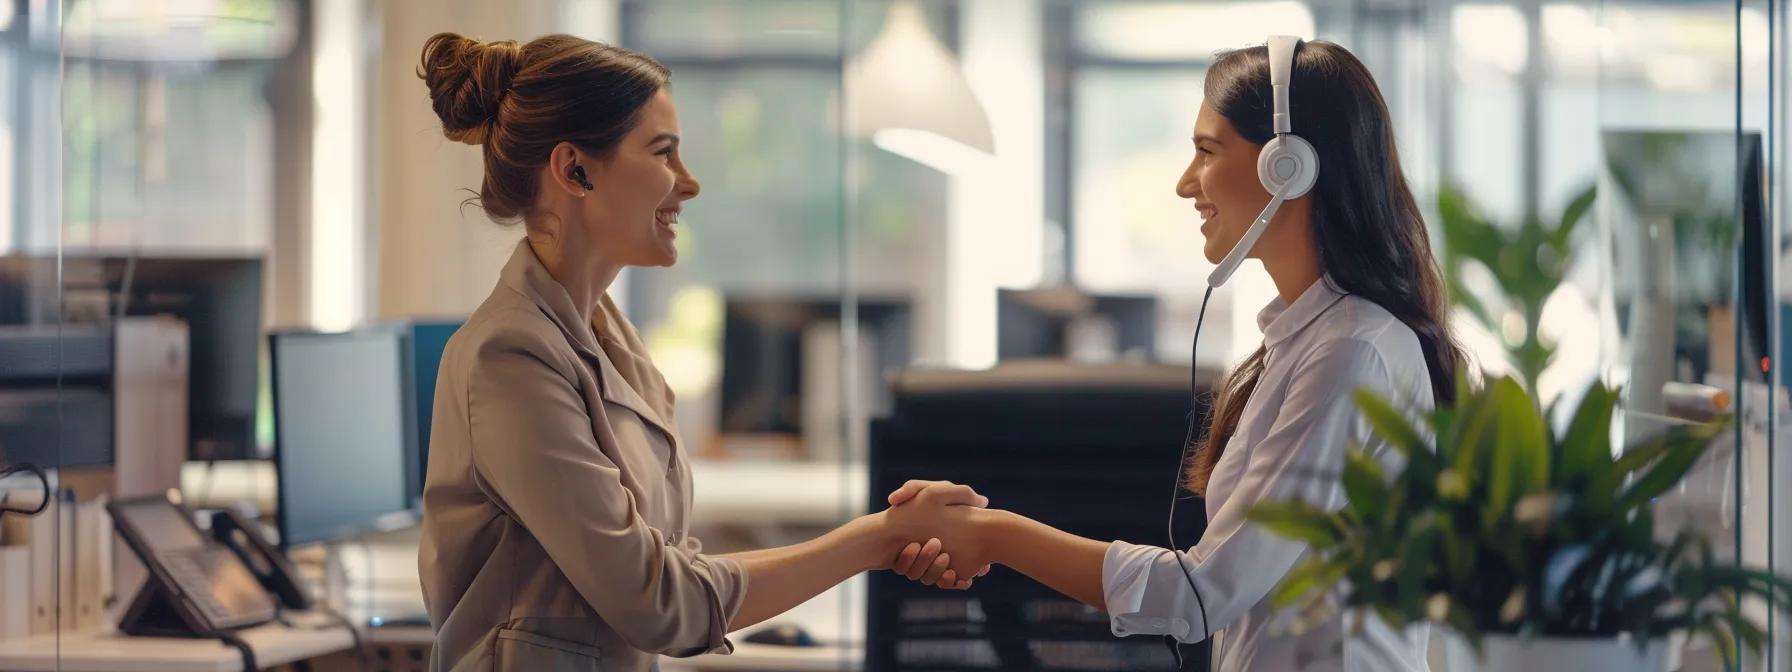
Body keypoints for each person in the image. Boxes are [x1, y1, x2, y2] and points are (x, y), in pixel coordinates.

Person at [883, 38, 1465, 671]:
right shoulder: (1314, 341)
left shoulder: (1351, 352)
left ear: (1287, 166)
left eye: (1207, 152)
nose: (1186, 184)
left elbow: (1200, 593)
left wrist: (996, 534)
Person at [412, 33, 982, 671]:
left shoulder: (610, 338)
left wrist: (881, 537)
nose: (689, 183)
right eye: (663, 153)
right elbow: (659, 603)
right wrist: (876, 540)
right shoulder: (509, 357)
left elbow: (675, 568)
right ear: (574, 169)